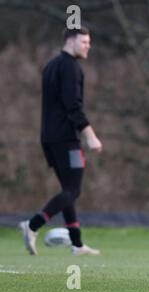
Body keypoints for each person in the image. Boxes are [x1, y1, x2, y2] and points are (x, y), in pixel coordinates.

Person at [19, 27, 102, 256]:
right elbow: (72, 106)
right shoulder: (70, 67)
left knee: (68, 190)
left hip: (49, 139)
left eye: (89, 42)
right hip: (66, 140)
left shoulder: (52, 65)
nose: (88, 46)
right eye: (84, 41)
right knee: (73, 190)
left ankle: (77, 244)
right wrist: (90, 135)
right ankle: (33, 225)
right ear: (70, 41)